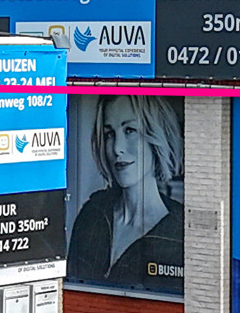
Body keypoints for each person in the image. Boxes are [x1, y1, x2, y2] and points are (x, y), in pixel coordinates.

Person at [66, 96, 185, 293]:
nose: (116, 148)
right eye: (109, 134)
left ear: (156, 135)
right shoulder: (92, 213)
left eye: (129, 130)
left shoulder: (179, 233)